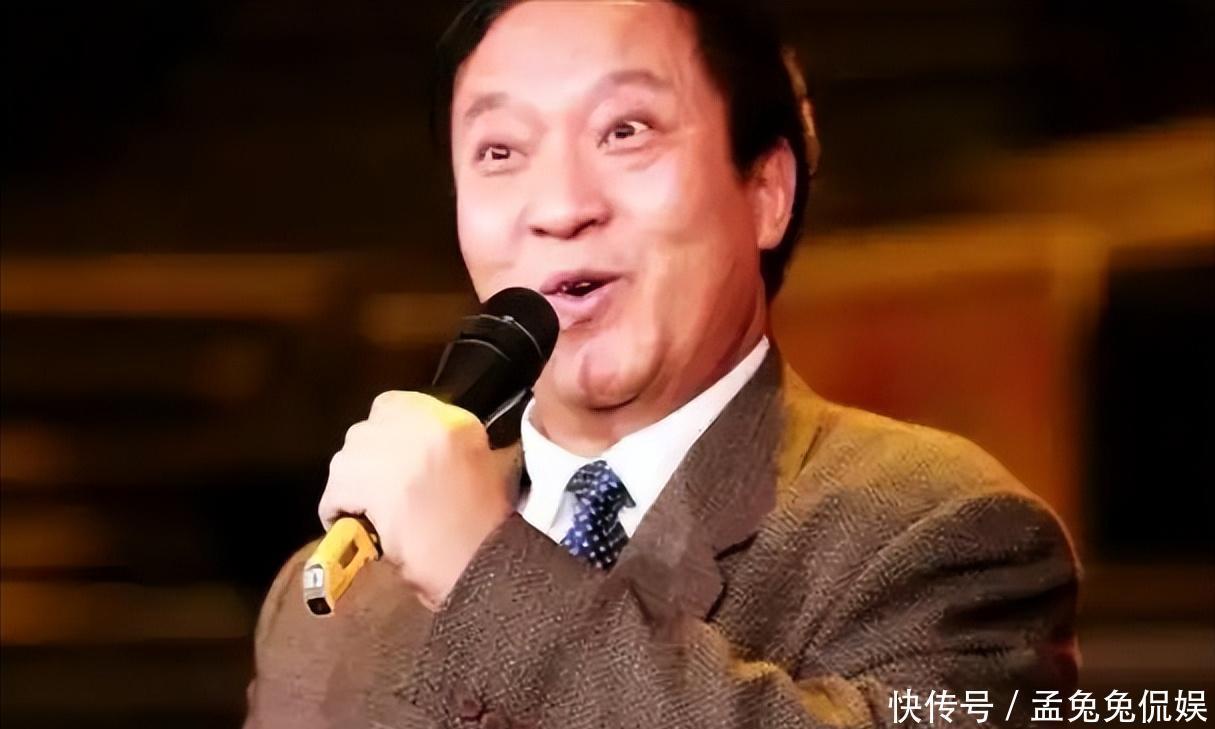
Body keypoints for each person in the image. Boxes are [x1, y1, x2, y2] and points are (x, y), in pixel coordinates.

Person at [243, 1, 1080, 727]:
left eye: (624, 131)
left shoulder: (941, 533)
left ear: (766, 191)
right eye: (499, 151)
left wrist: (488, 577)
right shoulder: (336, 594)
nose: (560, 207)